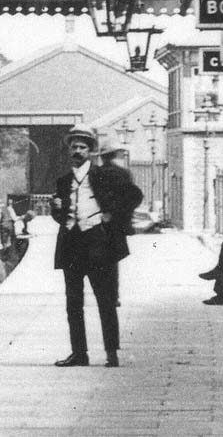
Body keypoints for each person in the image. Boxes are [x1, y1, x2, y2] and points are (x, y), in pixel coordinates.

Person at [51, 124, 143, 368]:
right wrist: (58, 210)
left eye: (82, 147)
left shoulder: (105, 175)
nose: (77, 151)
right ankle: (79, 353)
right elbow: (59, 215)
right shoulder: (63, 181)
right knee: (74, 303)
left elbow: (134, 196)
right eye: (73, 147)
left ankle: (111, 352)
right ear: (68, 151)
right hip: (72, 245)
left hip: (99, 244)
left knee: (106, 301)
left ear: (90, 151)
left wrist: (112, 215)